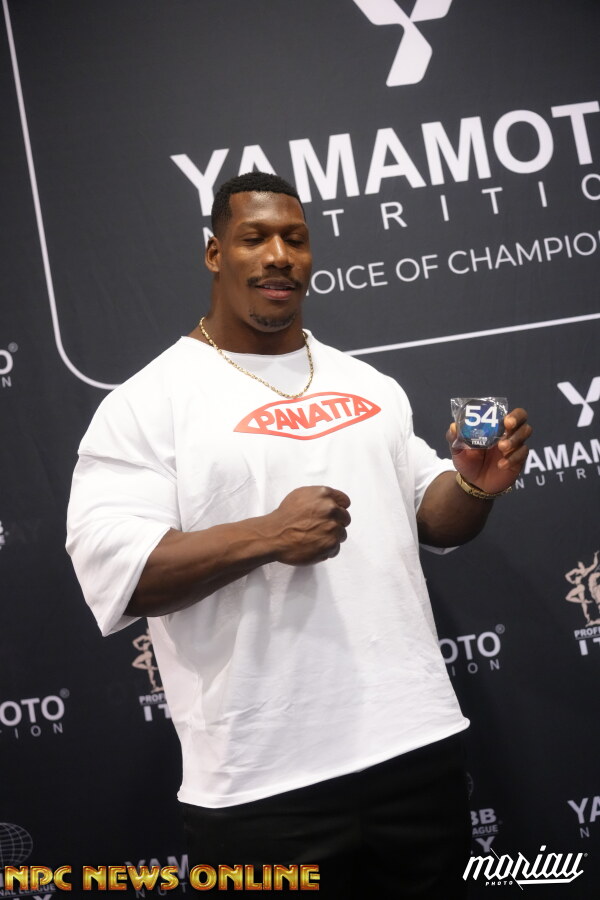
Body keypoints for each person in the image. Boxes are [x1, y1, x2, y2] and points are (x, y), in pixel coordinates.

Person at [66, 171, 531, 897]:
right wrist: (267, 535)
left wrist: (474, 483)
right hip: (260, 784)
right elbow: (122, 574)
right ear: (215, 253)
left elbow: (432, 518)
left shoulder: (369, 385)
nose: (278, 255)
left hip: (416, 751)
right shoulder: (145, 404)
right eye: (254, 238)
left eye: (295, 238)